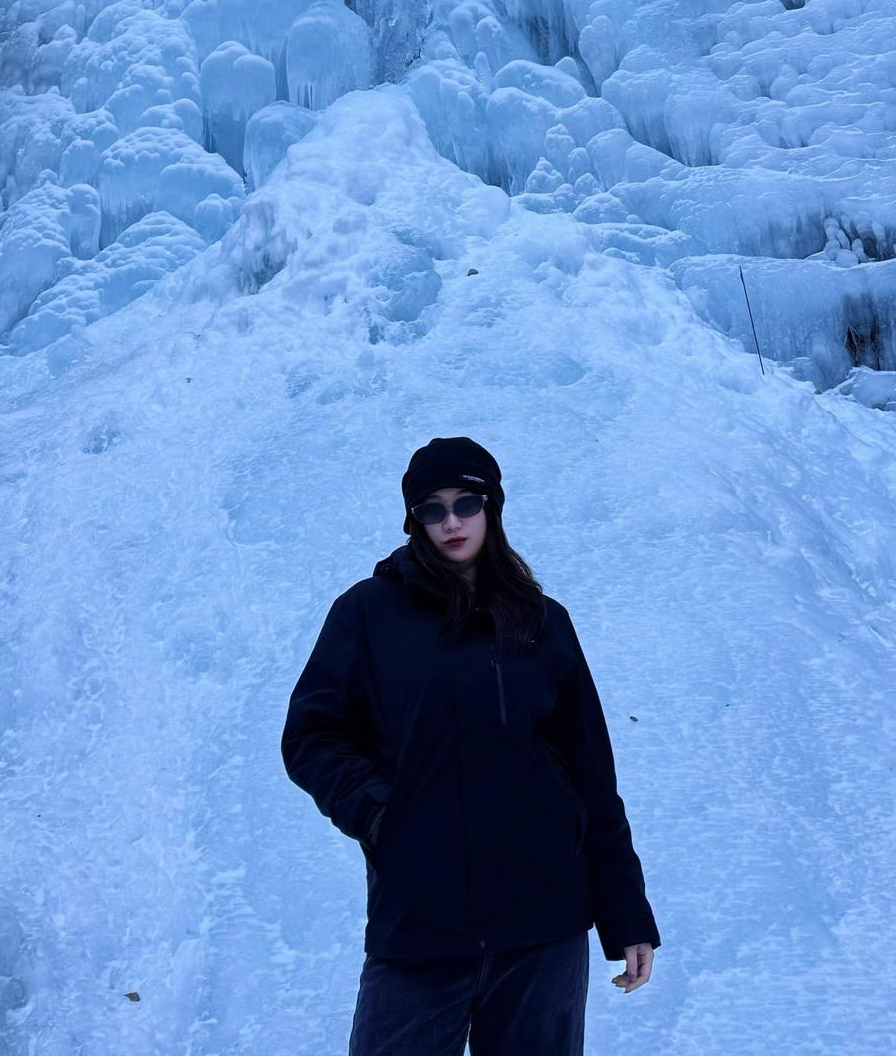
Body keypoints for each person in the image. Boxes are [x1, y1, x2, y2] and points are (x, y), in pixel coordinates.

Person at [281, 435, 660, 1055]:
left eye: (466, 503)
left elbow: (592, 775)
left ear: (493, 508)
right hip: (421, 922)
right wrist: (380, 814)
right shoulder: (367, 614)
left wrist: (626, 913)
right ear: (414, 521)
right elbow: (311, 734)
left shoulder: (542, 621)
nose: (451, 521)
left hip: (543, 925)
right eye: (432, 509)